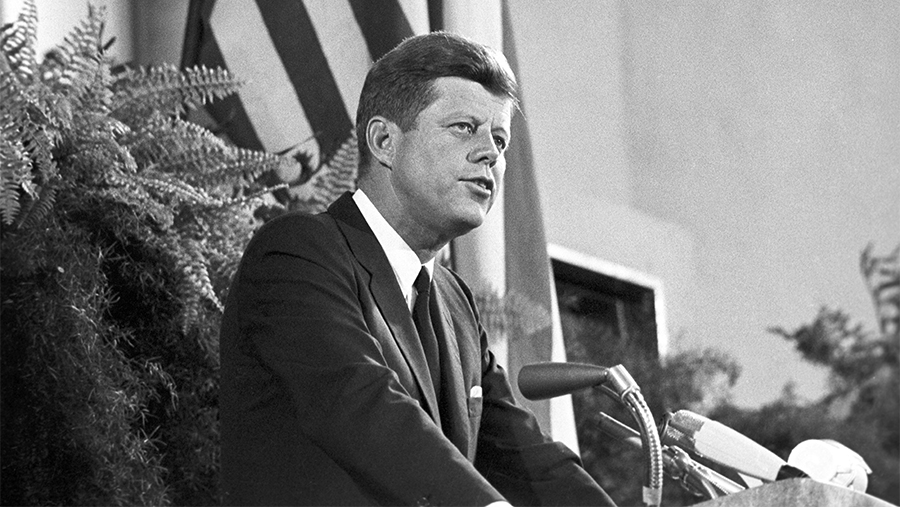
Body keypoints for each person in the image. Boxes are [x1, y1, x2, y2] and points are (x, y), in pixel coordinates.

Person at [219, 31, 615, 506]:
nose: (490, 153)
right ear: (384, 141)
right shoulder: (298, 254)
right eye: (464, 127)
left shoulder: (455, 303)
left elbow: (525, 458)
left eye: (500, 140)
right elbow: (366, 408)